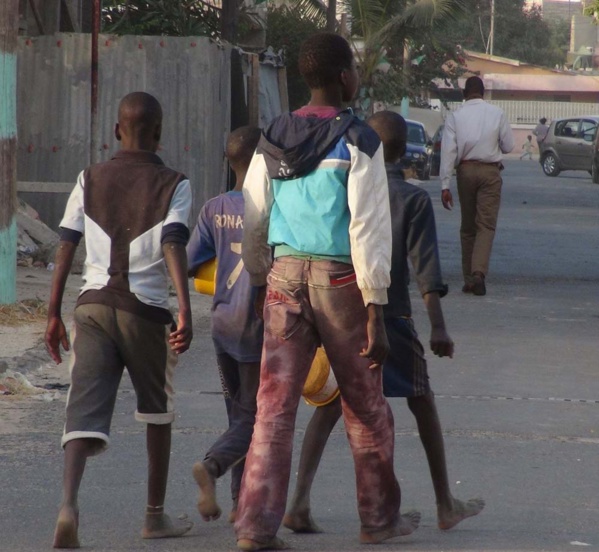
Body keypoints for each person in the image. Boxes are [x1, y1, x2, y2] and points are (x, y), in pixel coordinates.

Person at [235, 32, 420, 551]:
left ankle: (254, 527)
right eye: (355, 69)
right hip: (342, 282)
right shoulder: (360, 139)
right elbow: (368, 229)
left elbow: (254, 216)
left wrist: (258, 279)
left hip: (284, 279)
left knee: (273, 409)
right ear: (344, 77)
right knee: (366, 407)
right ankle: (378, 519)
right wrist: (377, 307)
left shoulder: (273, 135)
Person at [283, 111, 485, 535]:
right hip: (389, 314)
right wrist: (438, 327)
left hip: (339, 308)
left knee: (334, 405)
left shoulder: (343, 183)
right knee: (421, 398)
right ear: (400, 151)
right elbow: (426, 270)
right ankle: (444, 502)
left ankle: (298, 501)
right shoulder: (411, 198)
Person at [45, 92, 194, 548]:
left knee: (81, 411)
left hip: (90, 307)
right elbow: (173, 242)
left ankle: (68, 505)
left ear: (116, 130)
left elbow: (66, 244)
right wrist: (184, 307)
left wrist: (52, 312)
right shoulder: (175, 184)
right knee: (158, 412)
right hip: (144, 312)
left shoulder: (88, 178)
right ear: (159, 132)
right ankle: (154, 515)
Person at [186, 126, 263, 525]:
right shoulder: (271, 206)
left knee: (238, 414)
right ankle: (213, 466)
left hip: (222, 325)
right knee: (253, 418)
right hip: (256, 324)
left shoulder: (213, 208)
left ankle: (238, 503)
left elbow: (189, 263)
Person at [439, 76, 514, 296]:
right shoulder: (497, 113)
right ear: (483, 93)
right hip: (491, 172)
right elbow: (508, 146)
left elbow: (448, 152)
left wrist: (445, 185)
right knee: (486, 226)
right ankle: (478, 273)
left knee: (468, 227)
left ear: (464, 94)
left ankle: (469, 279)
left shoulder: (455, 116)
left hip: (465, 171)